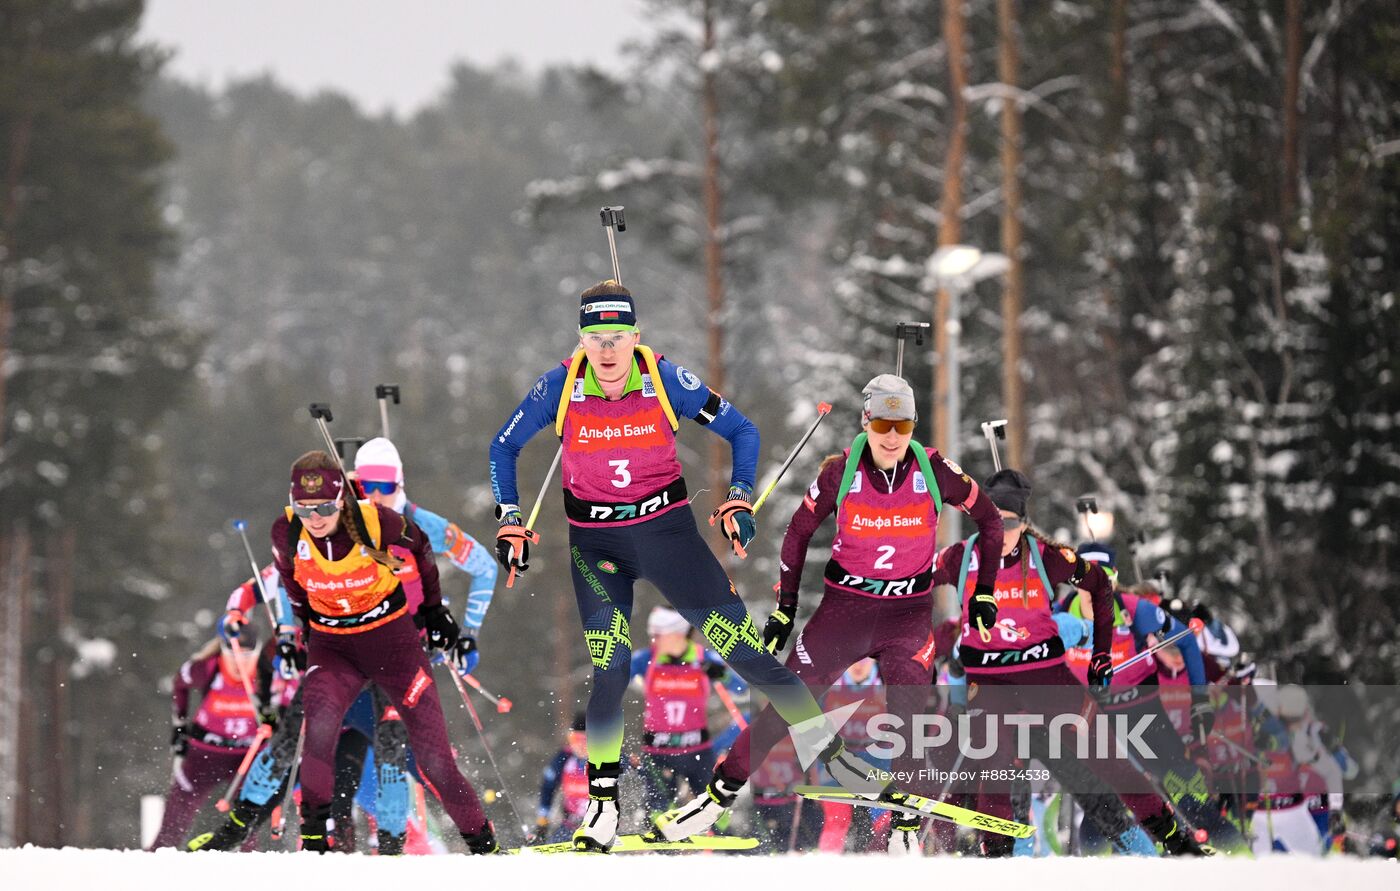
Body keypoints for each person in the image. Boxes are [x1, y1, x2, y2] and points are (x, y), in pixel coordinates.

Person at [488, 281, 875, 851]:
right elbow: (503, 447)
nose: (608, 350)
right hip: (597, 549)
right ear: (582, 342)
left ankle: (837, 760)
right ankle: (601, 806)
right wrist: (509, 517)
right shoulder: (560, 386)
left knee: (746, 654)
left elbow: (742, 429)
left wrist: (740, 496)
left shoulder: (666, 379)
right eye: (596, 339)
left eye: (618, 337)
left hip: (668, 535)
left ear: (636, 337)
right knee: (612, 670)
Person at [678, 374, 1005, 855]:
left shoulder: (936, 470)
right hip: (845, 610)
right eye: (883, 423)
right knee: (789, 704)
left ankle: (905, 823)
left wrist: (985, 591)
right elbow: (797, 532)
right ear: (866, 420)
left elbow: (991, 520)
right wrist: (786, 609)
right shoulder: (840, 471)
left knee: (910, 716)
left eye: (904, 424)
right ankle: (718, 795)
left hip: (908, 613)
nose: (893, 436)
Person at [935, 469, 1211, 856]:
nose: (1000, 531)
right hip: (994, 688)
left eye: (1009, 522)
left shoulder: (1048, 560)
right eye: (992, 521)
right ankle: (994, 857)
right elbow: (913, 588)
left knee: (1105, 767)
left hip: (1049, 688)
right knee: (994, 775)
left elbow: (1099, 587)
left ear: (1024, 522)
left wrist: (1099, 653)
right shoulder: (960, 558)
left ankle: (1171, 840)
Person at [272, 450, 496, 853]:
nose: (315, 517)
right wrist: (301, 630)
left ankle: (483, 845)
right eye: (303, 508)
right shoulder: (287, 533)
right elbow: (290, 583)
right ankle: (314, 846)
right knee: (319, 733)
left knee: (434, 760)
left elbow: (425, 548)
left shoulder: (378, 521)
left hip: (393, 645)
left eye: (324, 506)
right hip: (333, 647)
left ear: (341, 499)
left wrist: (433, 611)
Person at [1060, 542, 1248, 852]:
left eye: (1102, 576)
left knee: (1193, 806)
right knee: (1100, 815)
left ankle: (1248, 868)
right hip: (1097, 720)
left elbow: (1186, 642)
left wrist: (1199, 701)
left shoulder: (1134, 610)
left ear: (1113, 578)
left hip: (1142, 715)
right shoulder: (1062, 614)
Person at [149, 632, 266, 849]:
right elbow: (180, 682)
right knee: (175, 819)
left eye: (248, 656)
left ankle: (250, 870)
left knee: (247, 820)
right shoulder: (207, 668)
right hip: (205, 753)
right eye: (233, 655)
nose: (240, 662)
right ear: (223, 651)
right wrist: (180, 724)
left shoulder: (264, 670)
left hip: (247, 755)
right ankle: (156, 861)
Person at [629, 606, 746, 819]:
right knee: (658, 808)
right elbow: (613, 680)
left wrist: (723, 675)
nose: (654, 640)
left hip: (697, 751)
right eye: (652, 634)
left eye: (659, 635)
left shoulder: (704, 658)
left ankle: (727, 848)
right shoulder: (645, 658)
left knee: (717, 809)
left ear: (679, 633)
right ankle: (660, 846)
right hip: (658, 752)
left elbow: (741, 690)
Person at [533, 713, 591, 843]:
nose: (580, 746)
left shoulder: (604, 759)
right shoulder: (564, 758)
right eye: (575, 740)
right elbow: (548, 787)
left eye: (586, 740)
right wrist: (543, 819)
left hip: (601, 824)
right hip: (571, 824)